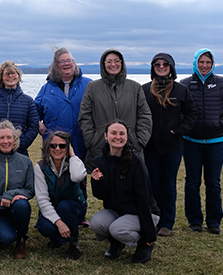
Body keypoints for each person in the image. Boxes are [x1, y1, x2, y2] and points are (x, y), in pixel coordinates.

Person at [180, 48, 223, 235]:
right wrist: (186, 127)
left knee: (213, 183)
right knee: (192, 183)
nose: (204, 66)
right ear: (195, 63)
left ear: (213, 64)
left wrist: (219, 123)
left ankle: (214, 222)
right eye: (201, 62)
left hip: (216, 142)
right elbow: (179, 111)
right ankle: (194, 221)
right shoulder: (185, 84)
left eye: (208, 62)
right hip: (191, 142)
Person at [35, 47, 92, 226]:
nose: (66, 64)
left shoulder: (88, 84)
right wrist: (38, 123)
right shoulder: (46, 89)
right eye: (62, 62)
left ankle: (79, 214)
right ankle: (52, 212)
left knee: (78, 176)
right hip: (54, 144)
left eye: (69, 61)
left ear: (74, 64)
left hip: (79, 139)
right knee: (55, 177)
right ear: (56, 66)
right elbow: (34, 110)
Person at [141, 53, 198, 237]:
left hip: (173, 147)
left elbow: (192, 115)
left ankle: (167, 222)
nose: (161, 66)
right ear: (153, 68)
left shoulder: (181, 90)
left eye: (165, 64)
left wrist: (177, 131)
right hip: (150, 146)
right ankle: (155, 219)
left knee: (169, 184)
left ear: (171, 67)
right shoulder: (144, 90)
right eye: (157, 64)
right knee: (153, 184)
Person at [90, 120, 160, 263]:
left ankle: (144, 244)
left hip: (143, 212)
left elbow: (144, 198)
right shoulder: (100, 161)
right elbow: (100, 195)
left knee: (117, 229)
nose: (118, 137)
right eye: (113, 133)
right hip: (118, 210)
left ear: (127, 137)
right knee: (96, 223)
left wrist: (149, 234)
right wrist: (97, 182)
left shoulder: (136, 162)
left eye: (122, 134)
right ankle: (117, 243)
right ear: (105, 136)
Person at [78, 49, 152, 172]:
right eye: (109, 61)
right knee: (104, 186)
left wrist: (140, 141)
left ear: (122, 63)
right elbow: (85, 116)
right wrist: (92, 140)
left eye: (117, 61)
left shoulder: (135, 87)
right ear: (103, 64)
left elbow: (145, 115)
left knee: (131, 185)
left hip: (131, 146)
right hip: (100, 147)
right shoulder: (92, 87)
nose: (113, 65)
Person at [0, 120, 34, 259]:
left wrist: (9, 196)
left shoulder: (26, 161)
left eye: (9, 137)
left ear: (15, 139)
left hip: (17, 207)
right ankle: (1, 231)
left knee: (22, 204)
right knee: (6, 239)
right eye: (1, 138)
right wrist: (0, 200)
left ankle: (22, 239)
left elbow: (30, 189)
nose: (5, 141)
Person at [34, 131, 87, 260]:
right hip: (53, 206)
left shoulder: (75, 162)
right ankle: (58, 239)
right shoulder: (40, 167)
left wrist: (72, 155)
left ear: (68, 147)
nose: (57, 149)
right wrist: (58, 222)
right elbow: (42, 199)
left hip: (73, 206)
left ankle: (74, 244)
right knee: (44, 227)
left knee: (65, 206)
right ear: (48, 147)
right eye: (53, 146)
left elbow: (78, 176)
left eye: (62, 146)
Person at [0, 61, 38, 157]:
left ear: (18, 76)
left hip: (19, 154)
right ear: (1, 77)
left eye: (13, 73)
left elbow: (33, 126)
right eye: (7, 74)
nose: (10, 76)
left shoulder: (28, 101)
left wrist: (21, 143)